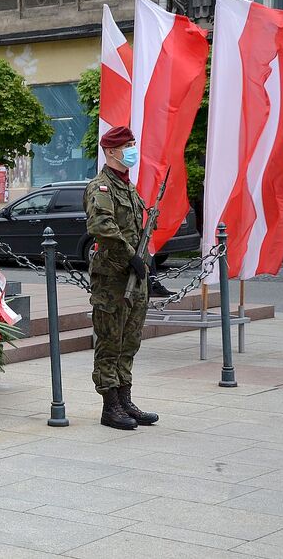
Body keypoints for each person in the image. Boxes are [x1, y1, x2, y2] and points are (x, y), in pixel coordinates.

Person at [83, 126, 159, 430]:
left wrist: (144, 262)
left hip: (134, 276)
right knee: (110, 342)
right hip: (112, 277)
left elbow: (138, 230)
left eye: (134, 144)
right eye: (128, 146)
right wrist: (131, 256)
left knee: (130, 341)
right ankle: (110, 406)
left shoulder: (129, 187)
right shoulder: (100, 187)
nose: (132, 150)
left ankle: (126, 399)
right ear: (111, 151)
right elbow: (103, 227)